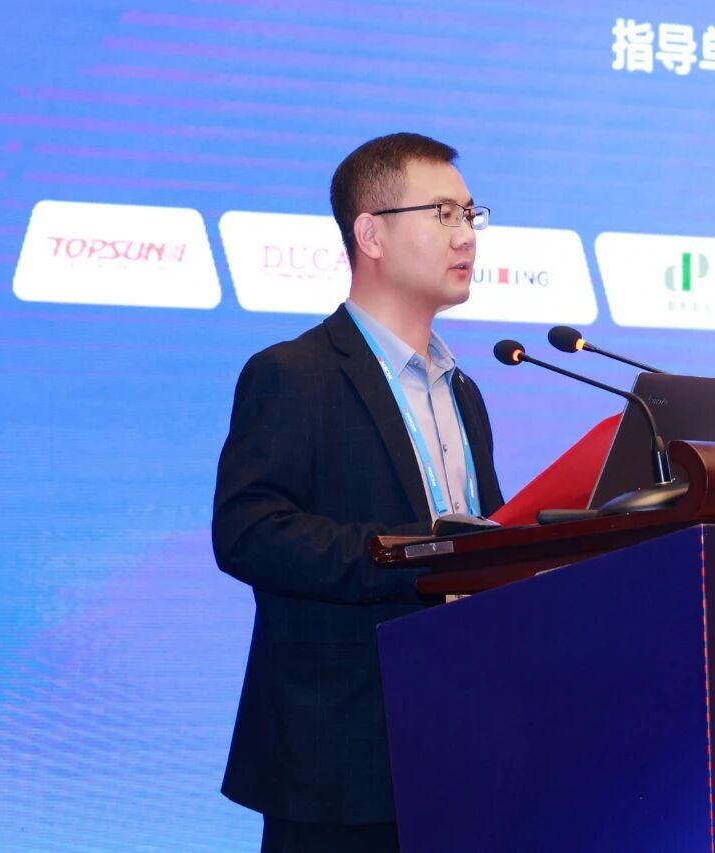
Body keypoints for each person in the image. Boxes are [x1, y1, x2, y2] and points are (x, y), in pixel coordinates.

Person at [211, 132, 505, 852]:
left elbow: (486, 540)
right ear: (370, 234)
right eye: (443, 213)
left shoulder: (463, 391)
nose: (466, 235)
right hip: (339, 758)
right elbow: (249, 531)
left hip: (461, 739)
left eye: (471, 214)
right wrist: (415, 558)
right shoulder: (295, 373)